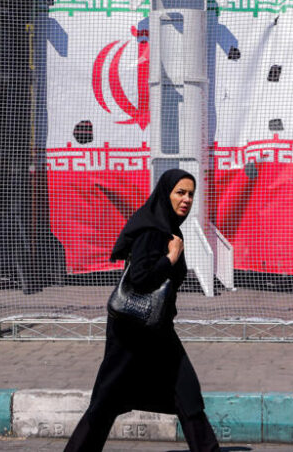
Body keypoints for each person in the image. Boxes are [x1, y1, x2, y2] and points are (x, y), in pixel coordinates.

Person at [64, 169, 220, 452]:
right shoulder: (153, 230)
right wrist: (171, 258)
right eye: (180, 192)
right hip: (132, 331)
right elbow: (140, 278)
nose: (186, 199)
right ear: (165, 193)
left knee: (187, 393)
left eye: (190, 194)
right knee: (106, 400)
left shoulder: (168, 227)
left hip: (155, 328)